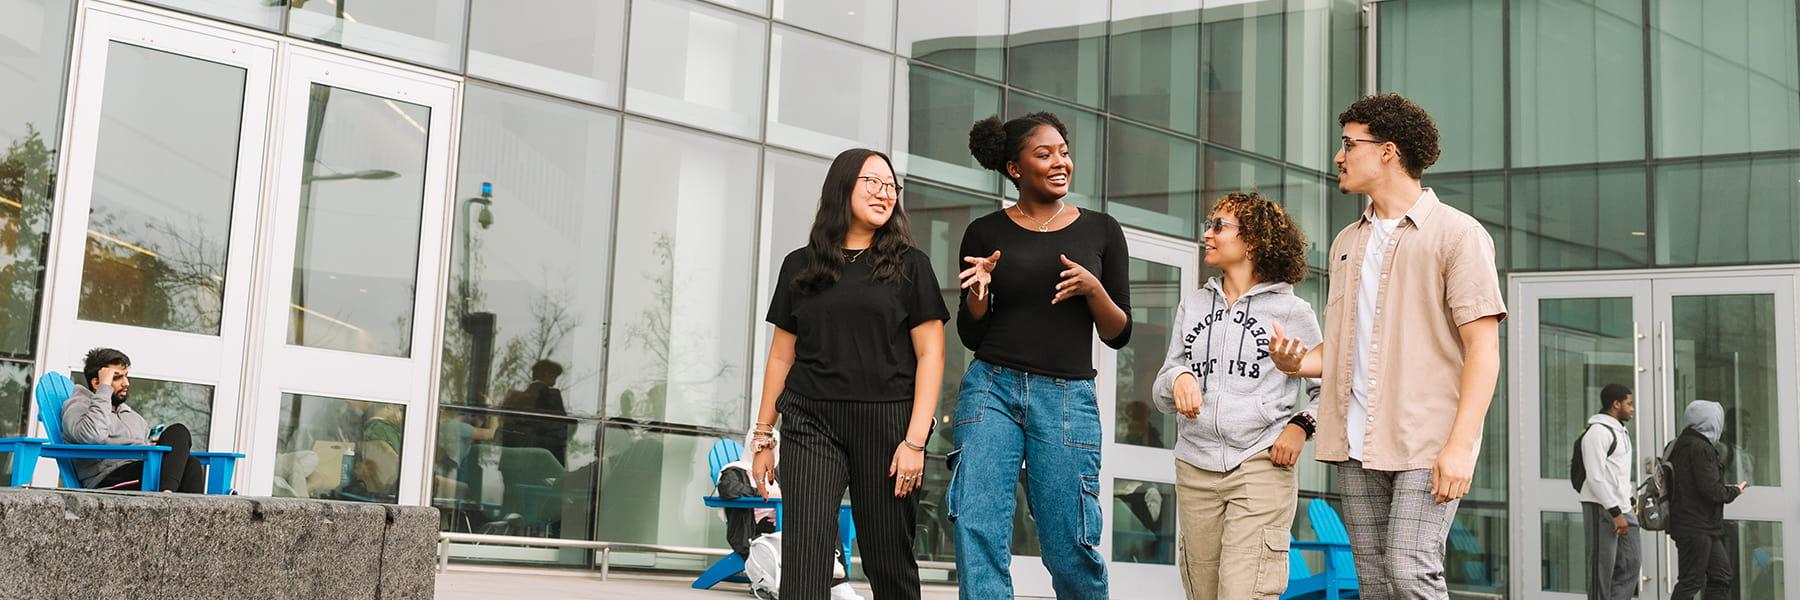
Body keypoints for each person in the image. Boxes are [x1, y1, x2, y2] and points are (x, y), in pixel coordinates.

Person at [1271, 93, 1506, 598]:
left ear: (1387, 152)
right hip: (1357, 443)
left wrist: (1460, 448)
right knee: (1375, 584)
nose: (1338, 156)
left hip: (1428, 441)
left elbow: (1484, 350)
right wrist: (1300, 361)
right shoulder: (1345, 243)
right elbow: (1346, 348)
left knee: (1409, 569)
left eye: (1348, 144)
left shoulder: (1458, 235)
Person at [748, 148, 948, 600]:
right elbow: (782, 356)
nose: (884, 193)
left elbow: (932, 356)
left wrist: (915, 441)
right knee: (805, 559)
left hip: (888, 426)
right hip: (810, 421)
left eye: (890, 186)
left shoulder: (911, 266)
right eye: (871, 182)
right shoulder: (801, 265)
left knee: (888, 560)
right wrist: (763, 434)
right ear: (843, 187)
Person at [951, 112, 1131, 600]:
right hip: (992, 387)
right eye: (1045, 153)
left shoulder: (1101, 231)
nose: (1061, 163)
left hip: (1067, 397)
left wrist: (1094, 290)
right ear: (1015, 168)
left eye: (1064, 152)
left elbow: (1118, 333)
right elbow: (971, 332)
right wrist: (979, 293)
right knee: (978, 523)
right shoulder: (984, 233)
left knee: (1069, 539)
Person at [1153, 192, 1321, 599]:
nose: (1207, 234)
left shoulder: (1292, 311)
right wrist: (1178, 380)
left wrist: (1300, 426)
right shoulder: (1193, 304)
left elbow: (1328, 389)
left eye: (1218, 226)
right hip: (1195, 468)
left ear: (1253, 241)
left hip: (1259, 464)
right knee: (1204, 593)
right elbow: (1162, 387)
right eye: (1208, 224)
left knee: (1244, 592)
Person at [61, 347, 205, 493]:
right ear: (97, 383)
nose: (126, 383)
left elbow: (144, 446)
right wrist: (104, 389)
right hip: (108, 479)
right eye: (116, 377)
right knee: (184, 463)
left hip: (141, 470)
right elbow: (93, 435)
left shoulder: (131, 416)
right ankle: (166, 498)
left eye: (125, 376)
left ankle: (168, 495)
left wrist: (150, 444)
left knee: (183, 444)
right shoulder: (78, 407)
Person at [1668, 400, 1747, 600]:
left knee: (1721, 575)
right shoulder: (1701, 448)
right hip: (1696, 525)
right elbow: (1711, 490)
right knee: (1691, 581)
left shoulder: (1675, 444)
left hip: (1697, 525)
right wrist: (1734, 491)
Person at [1579, 384, 1639, 600]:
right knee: (1601, 570)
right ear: (1616, 404)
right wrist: (1615, 512)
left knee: (1631, 563)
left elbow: (1617, 473)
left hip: (1622, 508)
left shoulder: (1620, 431)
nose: (1632, 408)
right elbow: (1595, 477)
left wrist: (1628, 502)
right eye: (1629, 403)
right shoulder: (1597, 433)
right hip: (1602, 508)